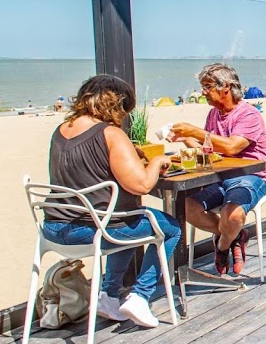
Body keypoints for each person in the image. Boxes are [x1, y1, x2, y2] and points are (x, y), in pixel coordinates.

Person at [41, 75, 178, 328]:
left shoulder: (61, 131)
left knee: (129, 218)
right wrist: (157, 162)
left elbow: (87, 173)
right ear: (117, 104)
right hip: (91, 230)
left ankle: (108, 295)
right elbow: (141, 185)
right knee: (169, 227)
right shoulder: (110, 133)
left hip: (53, 229)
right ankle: (140, 296)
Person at [171, 63, 266, 275]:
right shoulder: (213, 115)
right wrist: (186, 138)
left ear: (225, 87)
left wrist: (195, 131)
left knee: (232, 215)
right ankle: (234, 235)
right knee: (186, 207)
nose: (203, 92)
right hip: (219, 176)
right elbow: (209, 150)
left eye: (207, 87)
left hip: (250, 176)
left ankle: (223, 245)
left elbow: (232, 147)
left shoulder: (249, 115)